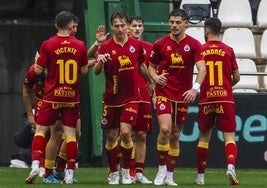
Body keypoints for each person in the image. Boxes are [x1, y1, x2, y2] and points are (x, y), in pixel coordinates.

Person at [25, 11, 88, 184]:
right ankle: (69, 174)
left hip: (52, 96)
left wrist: (38, 60)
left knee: (40, 130)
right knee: (71, 135)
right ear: (70, 26)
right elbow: (84, 72)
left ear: (56, 25)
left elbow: (37, 71)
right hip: (71, 97)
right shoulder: (80, 45)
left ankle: (36, 164)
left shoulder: (48, 44)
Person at [148, 9, 206, 186]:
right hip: (164, 92)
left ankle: (170, 175)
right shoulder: (159, 44)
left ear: (185, 23)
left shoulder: (195, 44)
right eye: (171, 22)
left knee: (175, 134)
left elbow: (202, 69)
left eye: (178, 22)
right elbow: (151, 66)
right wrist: (156, 78)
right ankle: (161, 170)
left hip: (182, 96)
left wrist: (195, 89)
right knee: (165, 129)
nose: (174, 25)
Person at [94, 11, 151, 185]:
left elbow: (141, 66)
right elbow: (96, 72)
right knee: (112, 136)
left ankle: (126, 172)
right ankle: (113, 172)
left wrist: (151, 82)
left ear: (127, 26)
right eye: (116, 25)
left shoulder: (136, 45)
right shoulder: (104, 47)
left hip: (131, 97)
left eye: (122, 25)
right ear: (112, 26)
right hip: (111, 98)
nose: (120, 28)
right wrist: (101, 61)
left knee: (126, 132)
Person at [194, 17, 240, 185]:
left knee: (204, 138)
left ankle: (200, 177)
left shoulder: (201, 50)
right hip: (225, 99)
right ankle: (230, 166)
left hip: (207, 98)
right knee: (229, 137)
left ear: (206, 30)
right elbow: (237, 77)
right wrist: (227, 85)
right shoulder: (228, 50)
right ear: (220, 30)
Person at [127, 15, 153, 184]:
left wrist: (154, 88)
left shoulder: (150, 48)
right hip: (125, 96)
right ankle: (122, 170)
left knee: (141, 135)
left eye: (140, 25)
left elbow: (152, 71)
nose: (137, 28)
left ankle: (138, 172)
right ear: (128, 27)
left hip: (144, 96)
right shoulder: (122, 45)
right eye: (134, 25)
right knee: (124, 134)